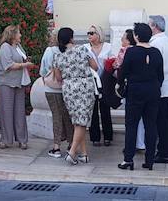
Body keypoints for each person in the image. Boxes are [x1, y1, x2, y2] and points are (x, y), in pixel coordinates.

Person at [117, 22, 163, 171]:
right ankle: (149, 159)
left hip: (135, 91)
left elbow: (122, 73)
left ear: (136, 36)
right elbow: (160, 75)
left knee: (131, 126)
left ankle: (128, 159)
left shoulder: (131, 52)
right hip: (153, 91)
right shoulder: (156, 52)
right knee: (151, 125)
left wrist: (121, 84)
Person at [51, 27, 98, 165]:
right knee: (82, 121)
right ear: (72, 38)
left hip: (69, 89)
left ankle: (84, 154)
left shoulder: (57, 56)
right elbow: (95, 66)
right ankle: (72, 152)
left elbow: (58, 78)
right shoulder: (83, 50)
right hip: (84, 87)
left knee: (78, 121)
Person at [0, 25, 32, 149]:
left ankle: (22, 140)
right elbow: (8, 65)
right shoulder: (5, 47)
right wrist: (25, 64)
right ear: (12, 35)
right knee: (6, 111)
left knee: (20, 111)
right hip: (6, 83)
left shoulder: (18, 47)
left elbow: (22, 58)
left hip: (19, 82)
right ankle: (6, 140)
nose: (20, 35)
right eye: (19, 33)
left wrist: (26, 61)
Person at [148, 15, 168, 162]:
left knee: (162, 121)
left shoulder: (155, 43)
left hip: (160, 85)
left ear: (155, 26)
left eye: (149, 25)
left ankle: (164, 152)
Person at [39, 31, 73, 158]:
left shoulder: (49, 51)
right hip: (66, 87)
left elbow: (43, 69)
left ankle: (56, 146)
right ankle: (71, 143)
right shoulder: (70, 51)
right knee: (68, 116)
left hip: (51, 88)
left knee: (56, 116)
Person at [86, 25, 114, 147]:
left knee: (105, 110)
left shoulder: (108, 47)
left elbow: (113, 63)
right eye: (88, 33)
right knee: (93, 111)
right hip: (91, 82)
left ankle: (108, 136)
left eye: (92, 33)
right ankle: (95, 137)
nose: (89, 35)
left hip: (105, 82)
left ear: (98, 34)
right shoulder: (84, 48)